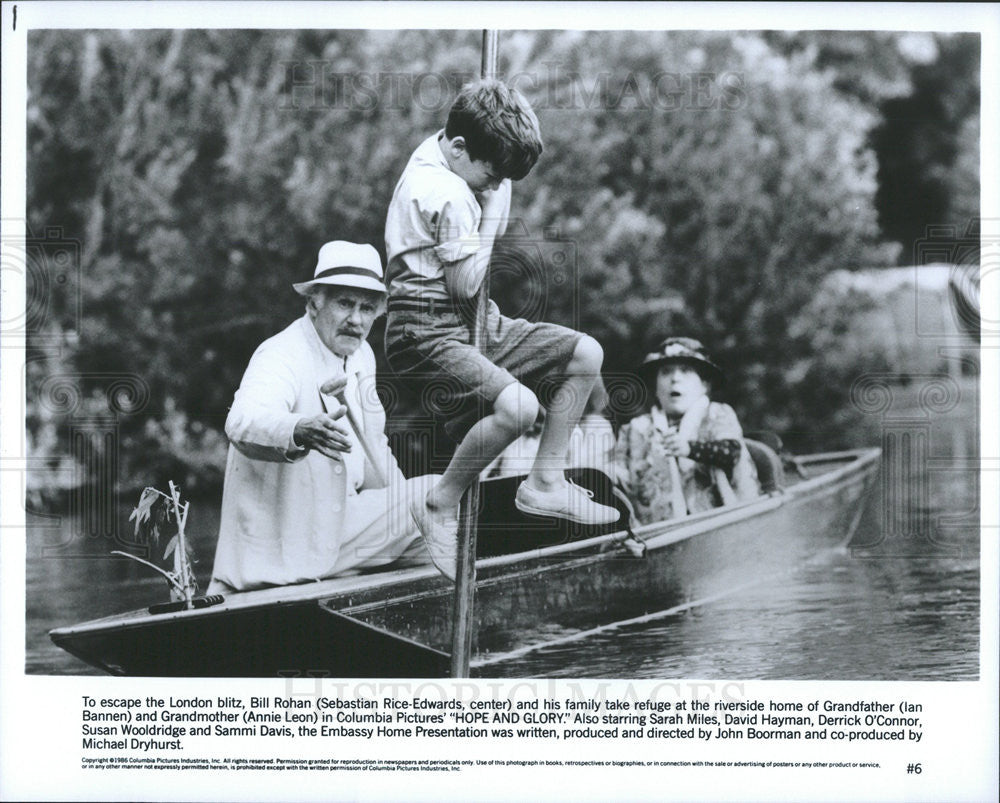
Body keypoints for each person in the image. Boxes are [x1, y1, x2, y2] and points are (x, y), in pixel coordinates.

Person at [384, 78, 619, 580]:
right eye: (490, 175)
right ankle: (439, 505)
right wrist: (492, 214)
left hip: (476, 321)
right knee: (519, 407)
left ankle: (544, 482)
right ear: (461, 147)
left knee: (585, 354)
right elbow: (467, 282)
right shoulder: (448, 192)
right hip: (423, 328)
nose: (492, 185)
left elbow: (490, 124)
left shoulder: (448, 149)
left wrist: (499, 170)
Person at [208, 241, 432, 594]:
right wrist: (298, 429)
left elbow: (375, 452)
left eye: (367, 308)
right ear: (314, 303)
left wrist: (410, 508)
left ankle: (412, 607)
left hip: (336, 533)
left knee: (439, 506)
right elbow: (241, 422)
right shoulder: (280, 354)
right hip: (279, 552)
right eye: (344, 303)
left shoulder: (362, 358)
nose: (356, 320)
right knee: (436, 495)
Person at [614, 337, 759, 525]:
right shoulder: (635, 428)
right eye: (666, 372)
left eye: (686, 371)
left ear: (704, 385)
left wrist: (689, 449)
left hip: (722, 526)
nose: (675, 378)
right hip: (656, 533)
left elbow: (731, 451)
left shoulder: (717, 413)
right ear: (655, 387)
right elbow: (619, 477)